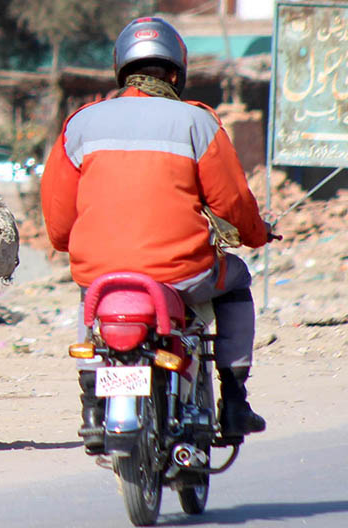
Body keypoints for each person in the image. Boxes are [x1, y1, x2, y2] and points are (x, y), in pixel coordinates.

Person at [40, 17, 276, 452]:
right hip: (181, 274)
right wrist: (257, 234)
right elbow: (233, 205)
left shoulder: (81, 124)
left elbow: (57, 221)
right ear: (175, 73)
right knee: (237, 279)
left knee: (89, 297)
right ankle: (235, 399)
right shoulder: (197, 122)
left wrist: (70, 245)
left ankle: (93, 404)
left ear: (122, 71)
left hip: (101, 274)